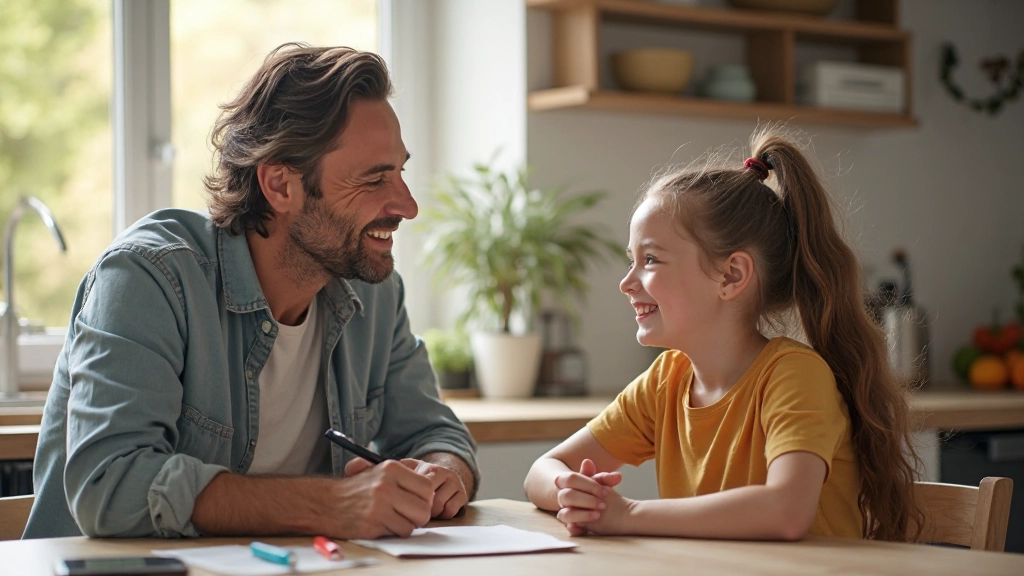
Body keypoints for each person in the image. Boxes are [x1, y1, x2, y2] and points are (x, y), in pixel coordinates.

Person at [24, 44, 478, 540]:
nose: (408, 206)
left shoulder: (375, 296)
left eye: (400, 173)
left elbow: (437, 434)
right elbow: (110, 484)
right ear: (280, 185)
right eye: (374, 179)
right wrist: (331, 504)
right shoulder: (148, 278)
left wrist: (443, 473)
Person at [524, 126, 923, 542]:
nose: (626, 283)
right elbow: (542, 470)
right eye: (631, 260)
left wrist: (628, 514)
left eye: (651, 259)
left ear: (731, 275)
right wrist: (574, 492)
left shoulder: (793, 376)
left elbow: (786, 511)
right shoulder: (665, 382)